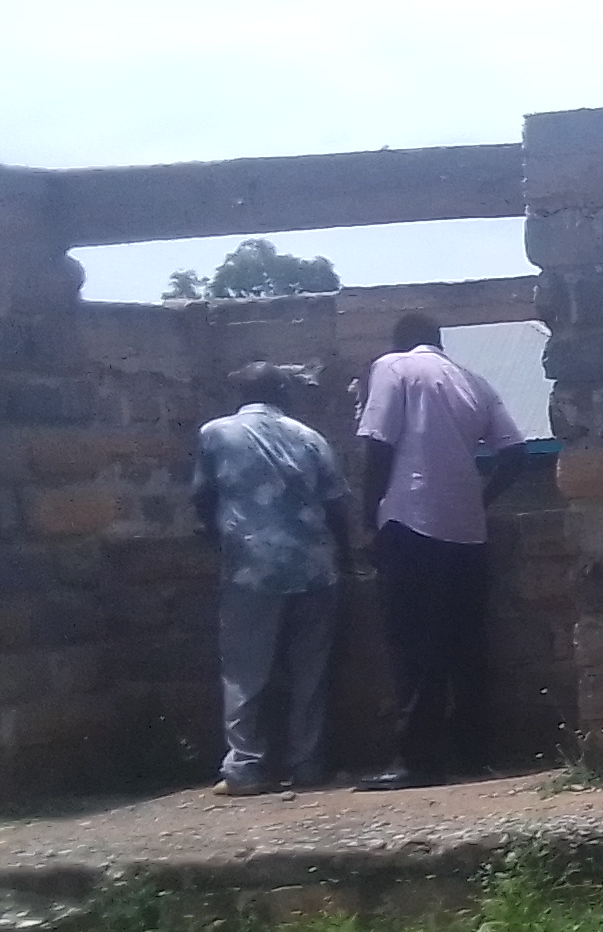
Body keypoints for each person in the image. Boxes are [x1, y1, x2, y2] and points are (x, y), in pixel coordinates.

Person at [353, 313, 532, 788]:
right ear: (439, 342)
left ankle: (418, 760)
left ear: (400, 339)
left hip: (411, 521)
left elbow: (377, 444)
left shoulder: (392, 367)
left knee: (412, 643)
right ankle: (473, 753)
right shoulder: (473, 381)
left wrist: (368, 518)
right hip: (466, 531)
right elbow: (514, 453)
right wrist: (480, 498)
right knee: (464, 645)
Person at [190, 362, 356, 797]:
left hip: (250, 566)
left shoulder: (216, 434)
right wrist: (348, 559)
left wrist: (220, 542)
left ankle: (245, 768)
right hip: (314, 567)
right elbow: (336, 505)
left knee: (246, 672)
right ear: (284, 393)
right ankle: (308, 763)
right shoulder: (310, 437)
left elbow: (202, 497)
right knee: (310, 672)